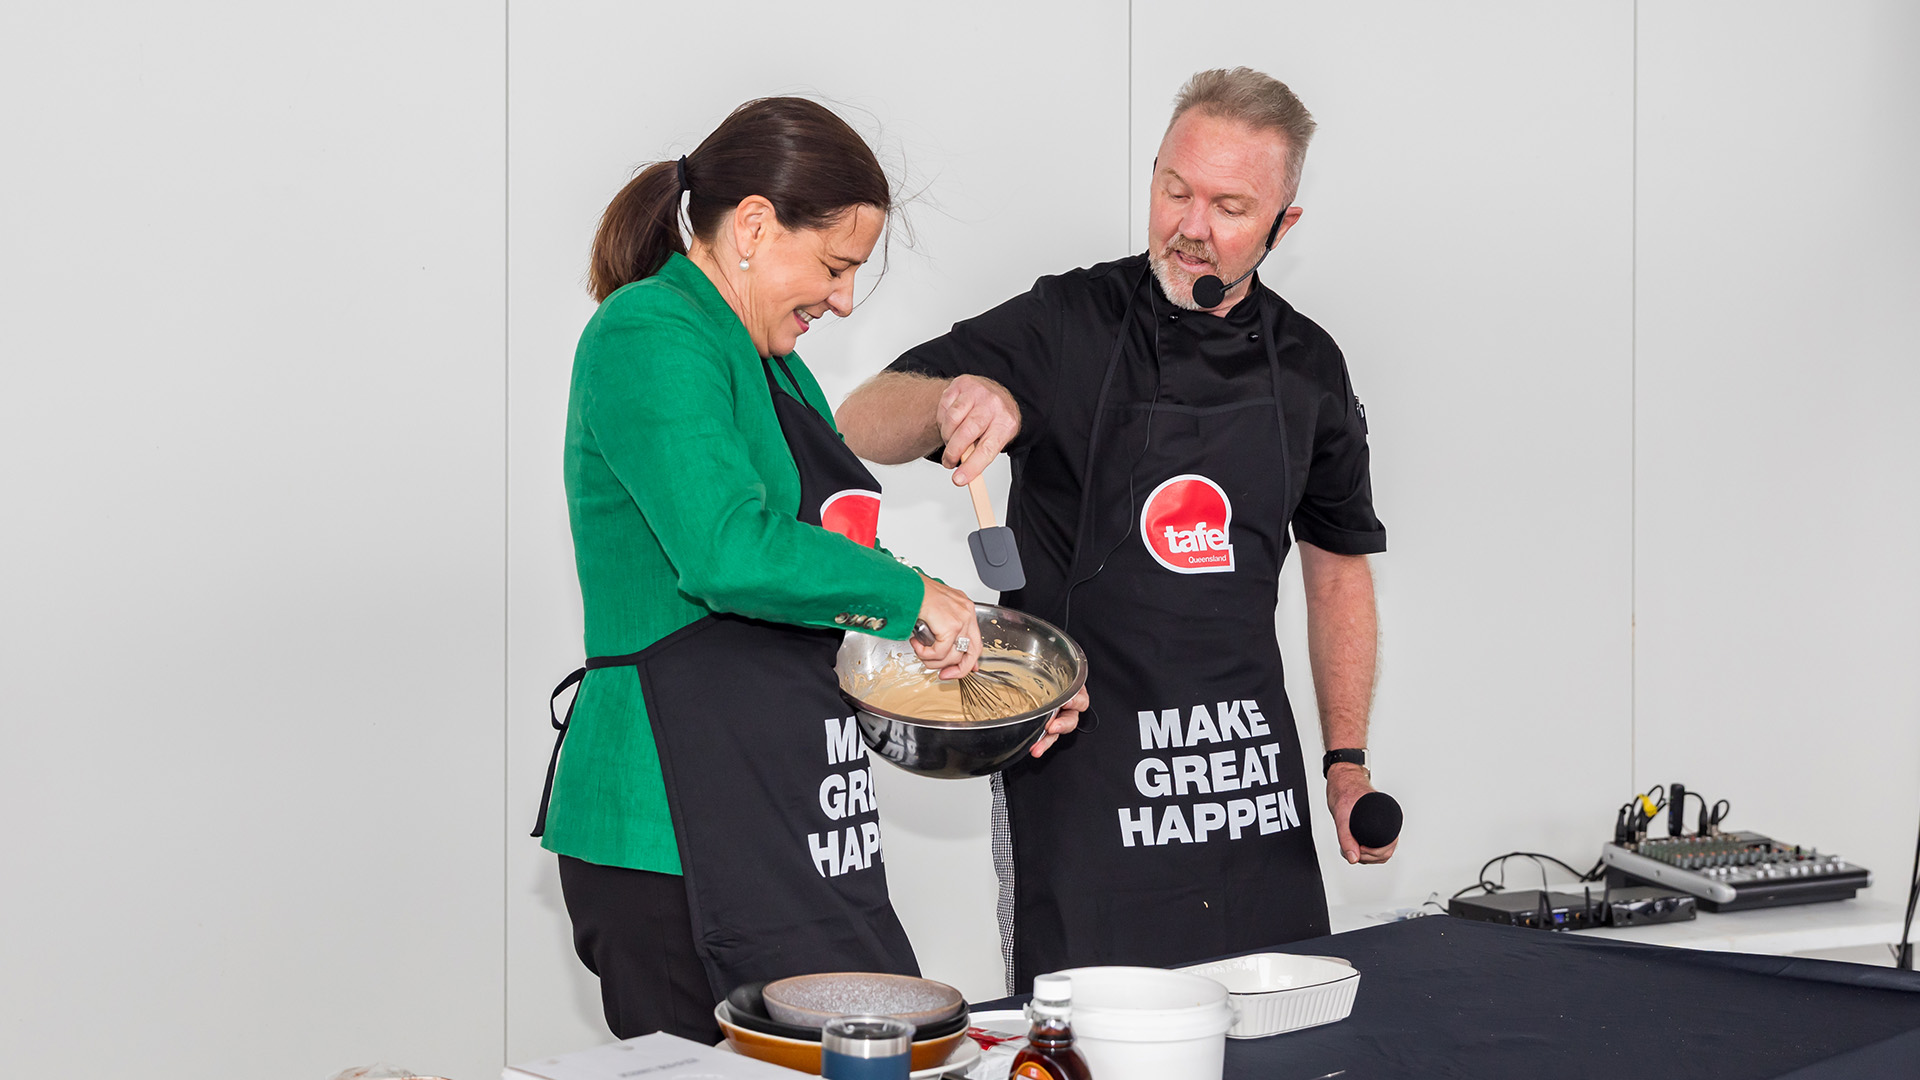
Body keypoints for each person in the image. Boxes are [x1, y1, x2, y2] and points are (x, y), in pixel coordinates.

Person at [532, 97, 1085, 1042]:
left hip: (793, 815)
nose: (842, 300)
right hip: (672, 831)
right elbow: (729, 551)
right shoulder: (650, 333)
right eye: (835, 266)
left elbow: (837, 575)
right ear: (752, 224)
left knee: (897, 1051)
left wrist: (996, 684)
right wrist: (915, 595)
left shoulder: (774, 365)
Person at [837, 69, 1394, 988]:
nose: (1190, 224)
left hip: (1247, 787)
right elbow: (860, 420)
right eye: (1173, 189)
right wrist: (956, 396)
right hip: (1083, 781)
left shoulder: (1309, 368)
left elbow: (1338, 571)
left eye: (1228, 205)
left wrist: (1345, 762)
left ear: (1282, 226)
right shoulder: (1069, 322)